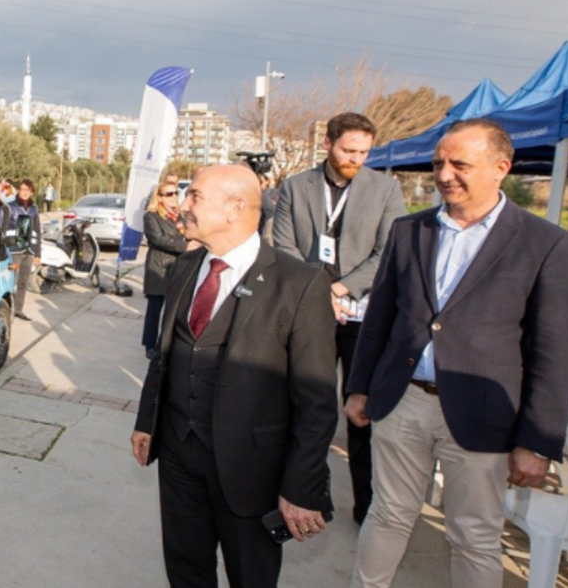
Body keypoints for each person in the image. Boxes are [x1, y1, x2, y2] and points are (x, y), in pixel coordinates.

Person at [346, 119, 568, 588]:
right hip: (401, 401)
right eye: (438, 163)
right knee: (388, 514)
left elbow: (555, 351)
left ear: (501, 168)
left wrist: (537, 441)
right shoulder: (408, 230)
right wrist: (359, 387)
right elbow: (380, 320)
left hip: (483, 415)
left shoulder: (547, 243)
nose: (444, 174)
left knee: (474, 534)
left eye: (459, 164)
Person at [131, 164, 336, 588]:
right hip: (178, 456)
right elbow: (166, 355)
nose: (183, 206)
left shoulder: (300, 284)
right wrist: (145, 423)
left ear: (235, 208)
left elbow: (315, 400)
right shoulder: (185, 268)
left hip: (251, 470)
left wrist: (301, 486)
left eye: (195, 197)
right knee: (186, 570)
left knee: (251, 577)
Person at [271, 112, 407, 524]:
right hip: (307, 312)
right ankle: (294, 487)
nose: (357, 158)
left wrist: (341, 288)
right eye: (349, 150)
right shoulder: (296, 186)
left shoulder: (386, 188)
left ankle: (365, 504)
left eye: (364, 152)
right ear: (328, 144)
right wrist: (316, 293)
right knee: (301, 403)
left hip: (361, 315)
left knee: (359, 409)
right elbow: (283, 246)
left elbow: (389, 250)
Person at [140, 181, 188, 360]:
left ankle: (168, 344)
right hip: (159, 267)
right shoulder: (151, 217)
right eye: (168, 194)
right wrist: (186, 247)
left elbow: (189, 233)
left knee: (174, 310)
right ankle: (150, 345)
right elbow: (158, 240)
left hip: (178, 267)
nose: (174, 196)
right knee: (155, 309)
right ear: (159, 198)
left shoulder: (179, 216)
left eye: (175, 193)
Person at [8, 179, 43, 322]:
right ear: (18, 190)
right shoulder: (10, 207)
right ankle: (8, 309)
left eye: (28, 190)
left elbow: (38, 231)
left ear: (32, 192)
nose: (25, 192)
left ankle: (18, 310)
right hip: (14, 250)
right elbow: (2, 227)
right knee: (11, 281)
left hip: (28, 251)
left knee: (23, 282)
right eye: (22, 189)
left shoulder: (33, 209)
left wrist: (38, 253)